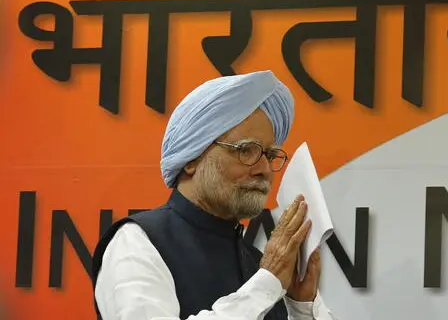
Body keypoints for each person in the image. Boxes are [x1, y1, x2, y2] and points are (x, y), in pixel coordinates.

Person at [92, 70, 337, 320]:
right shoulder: (137, 242)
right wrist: (266, 285)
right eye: (246, 150)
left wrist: (302, 306)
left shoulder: (258, 264)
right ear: (191, 159)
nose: (264, 170)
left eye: (270, 155)